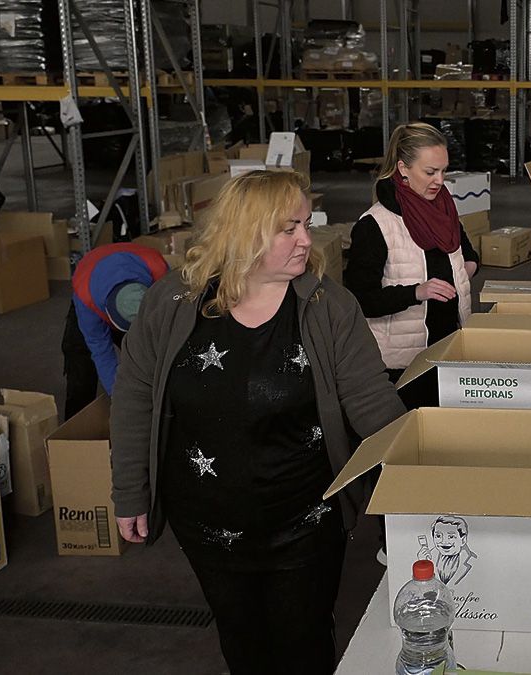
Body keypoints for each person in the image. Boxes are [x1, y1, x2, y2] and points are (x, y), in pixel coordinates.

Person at [110, 170, 407, 675]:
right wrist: (129, 493)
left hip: (305, 522)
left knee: (305, 641)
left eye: (305, 224)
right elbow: (134, 400)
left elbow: (371, 402)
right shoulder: (173, 303)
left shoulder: (327, 307)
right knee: (241, 639)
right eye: (288, 228)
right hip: (206, 523)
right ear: (245, 232)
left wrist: (425, 469)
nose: (306, 240)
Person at [345, 122, 480, 409]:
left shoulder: (444, 209)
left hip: (449, 350)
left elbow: (469, 255)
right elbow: (361, 299)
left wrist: (465, 272)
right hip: (402, 365)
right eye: (430, 172)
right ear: (403, 169)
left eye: (444, 171)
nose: (439, 181)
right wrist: (416, 292)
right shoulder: (375, 225)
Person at [62, 242, 169, 419]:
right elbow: (101, 351)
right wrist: (120, 400)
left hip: (141, 286)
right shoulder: (86, 298)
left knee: (151, 352)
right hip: (91, 287)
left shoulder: (159, 272)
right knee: (79, 363)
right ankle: (74, 432)